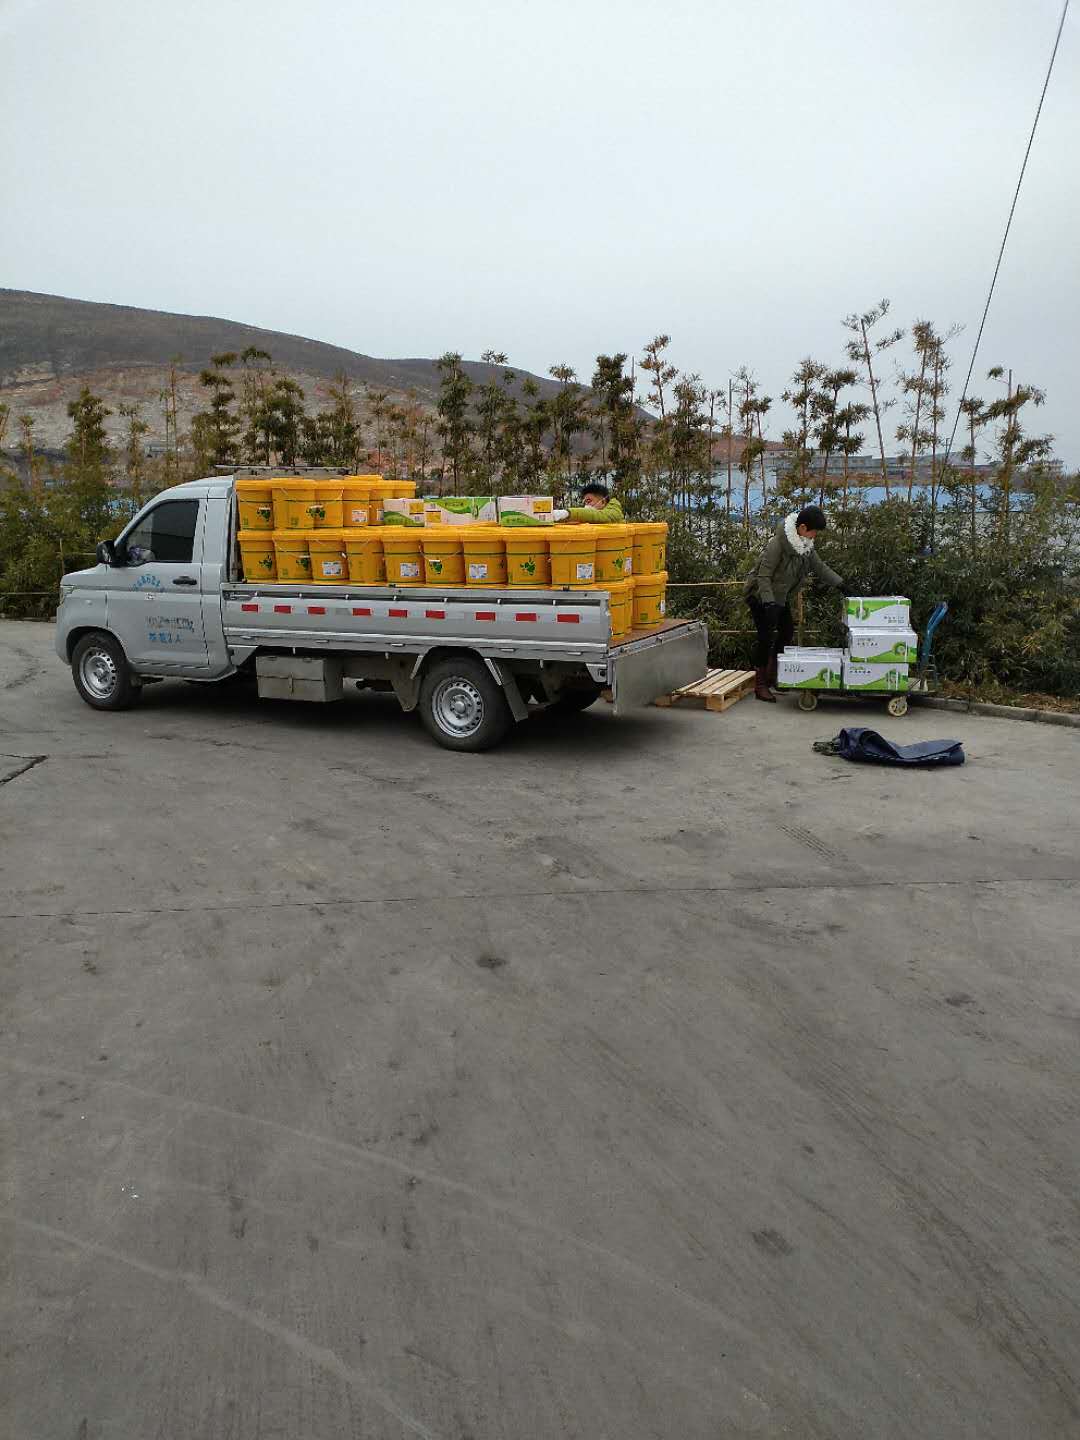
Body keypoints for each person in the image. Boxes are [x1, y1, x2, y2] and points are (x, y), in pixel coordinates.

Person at [744, 504, 843, 703]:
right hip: (760, 595)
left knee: (787, 631)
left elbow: (820, 568)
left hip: (780, 597)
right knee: (765, 637)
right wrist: (768, 604)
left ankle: (774, 675)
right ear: (803, 527)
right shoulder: (778, 544)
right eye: (814, 531)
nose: (815, 536)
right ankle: (760, 685)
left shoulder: (805, 545)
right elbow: (763, 576)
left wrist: (842, 585)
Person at [552, 482, 624, 524]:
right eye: (585, 502)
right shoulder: (592, 517)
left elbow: (598, 516)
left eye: (589, 501)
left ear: (603, 502)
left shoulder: (614, 512)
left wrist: (567, 513)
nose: (586, 505)